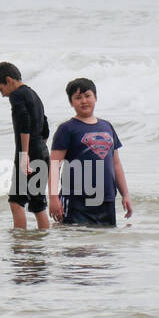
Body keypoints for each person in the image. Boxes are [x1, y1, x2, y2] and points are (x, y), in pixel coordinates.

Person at [49, 77, 133, 226]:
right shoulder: (67, 129)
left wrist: (125, 194)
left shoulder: (107, 126)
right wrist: (54, 198)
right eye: (78, 98)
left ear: (95, 97)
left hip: (105, 198)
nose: (84, 101)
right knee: (77, 245)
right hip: (76, 199)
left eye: (88, 96)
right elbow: (54, 165)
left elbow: (116, 164)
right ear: (71, 102)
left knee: (104, 244)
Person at [0, 62, 51, 230]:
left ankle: (20, 245)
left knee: (16, 202)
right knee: (38, 206)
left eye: (0, 89)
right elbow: (45, 128)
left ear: (9, 81)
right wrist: (39, 149)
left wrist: (25, 155)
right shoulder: (34, 94)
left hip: (29, 155)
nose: (2, 95)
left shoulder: (17, 95)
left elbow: (24, 124)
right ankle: (41, 245)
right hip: (42, 154)